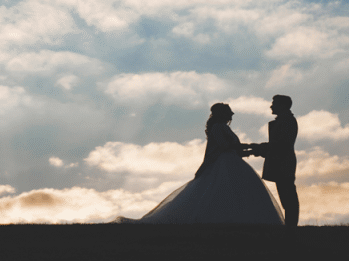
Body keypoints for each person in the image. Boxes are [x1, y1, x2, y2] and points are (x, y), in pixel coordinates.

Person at [116, 102, 284, 224]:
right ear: (222, 114)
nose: (232, 115)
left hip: (230, 161)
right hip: (223, 164)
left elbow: (234, 150)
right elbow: (225, 147)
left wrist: (254, 151)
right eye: (229, 112)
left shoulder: (223, 128)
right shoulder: (218, 127)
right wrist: (252, 146)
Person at [243, 94, 299, 227]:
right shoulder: (284, 120)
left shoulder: (286, 121)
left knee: (288, 197)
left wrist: (254, 149)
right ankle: (290, 226)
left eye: (274, 103)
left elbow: (279, 145)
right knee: (286, 196)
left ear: (283, 105)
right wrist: (254, 148)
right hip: (281, 162)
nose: (271, 106)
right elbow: (276, 145)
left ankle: (291, 226)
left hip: (283, 163)